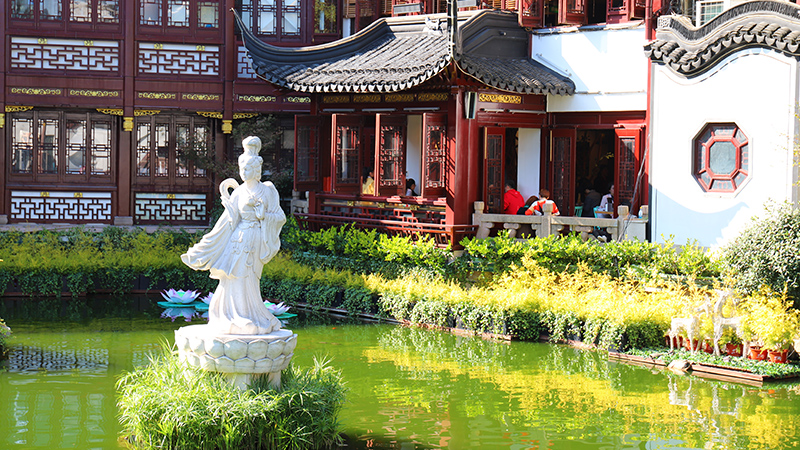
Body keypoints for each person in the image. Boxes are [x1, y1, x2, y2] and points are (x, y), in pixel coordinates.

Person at [181, 136, 285, 335]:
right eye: (241, 169)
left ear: (256, 170)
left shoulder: (268, 190)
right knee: (230, 277)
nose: (243, 173)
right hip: (237, 239)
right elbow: (228, 221)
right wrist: (204, 246)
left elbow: (279, 217)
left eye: (247, 169)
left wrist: (264, 217)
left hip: (255, 239)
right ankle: (228, 315)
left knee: (248, 278)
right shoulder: (238, 192)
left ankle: (250, 315)